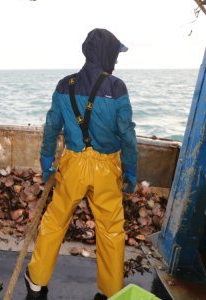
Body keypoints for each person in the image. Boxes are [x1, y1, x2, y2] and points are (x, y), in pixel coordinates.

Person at [24, 28, 138, 300]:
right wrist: (131, 170)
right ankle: (111, 291)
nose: (117, 60)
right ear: (107, 54)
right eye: (115, 54)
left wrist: (46, 164)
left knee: (55, 221)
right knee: (111, 230)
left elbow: (51, 128)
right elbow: (128, 135)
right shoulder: (117, 87)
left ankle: (37, 281)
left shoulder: (65, 85)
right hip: (106, 168)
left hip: (73, 164)